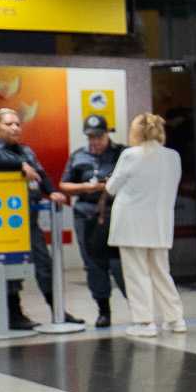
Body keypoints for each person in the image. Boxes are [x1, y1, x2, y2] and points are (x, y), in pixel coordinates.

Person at [0, 107, 75, 328]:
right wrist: (19, 165)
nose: (15, 128)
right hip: (4, 223)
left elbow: (39, 174)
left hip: (29, 220)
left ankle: (57, 310)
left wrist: (52, 191)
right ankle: (14, 315)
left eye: (17, 124)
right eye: (8, 124)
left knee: (44, 264)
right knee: (10, 266)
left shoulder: (26, 151)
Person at [106, 113, 185, 337]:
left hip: (130, 224)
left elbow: (111, 187)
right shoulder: (173, 156)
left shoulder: (130, 155)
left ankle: (144, 322)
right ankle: (175, 319)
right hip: (160, 224)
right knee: (162, 272)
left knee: (136, 273)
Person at [60, 113, 127, 328]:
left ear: (108, 133)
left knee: (121, 264)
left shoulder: (122, 154)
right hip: (87, 214)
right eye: (90, 137)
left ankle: (139, 309)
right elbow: (64, 185)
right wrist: (86, 188)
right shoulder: (79, 156)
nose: (95, 141)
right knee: (93, 264)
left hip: (116, 213)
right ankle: (103, 311)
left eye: (98, 136)